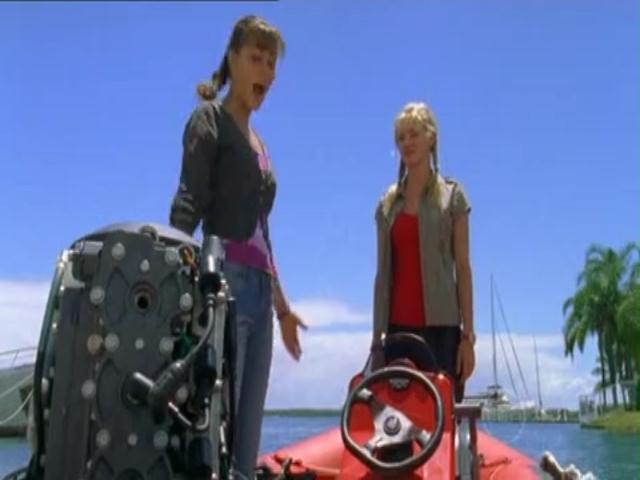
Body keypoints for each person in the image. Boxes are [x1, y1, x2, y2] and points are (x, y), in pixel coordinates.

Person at [168, 15, 307, 479]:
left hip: (261, 297)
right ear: (232, 59)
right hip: (222, 286)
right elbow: (188, 199)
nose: (265, 71)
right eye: (256, 58)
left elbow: (263, 234)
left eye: (271, 63)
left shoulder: (261, 145)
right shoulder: (209, 119)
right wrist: (172, 271)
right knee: (217, 426)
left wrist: (283, 310)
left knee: (248, 435)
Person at [371, 101, 475, 402]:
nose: (407, 143)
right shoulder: (388, 204)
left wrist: (467, 338)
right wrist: (376, 340)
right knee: (398, 425)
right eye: (401, 138)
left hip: (443, 333)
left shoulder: (453, 196)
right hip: (397, 334)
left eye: (414, 134)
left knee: (442, 418)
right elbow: (382, 276)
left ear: (431, 137)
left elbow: (463, 268)